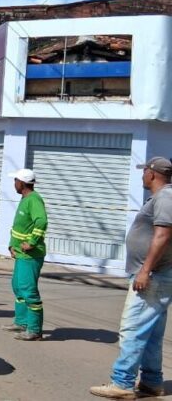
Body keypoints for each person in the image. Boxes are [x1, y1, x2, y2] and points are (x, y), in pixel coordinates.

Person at [90, 157, 172, 399]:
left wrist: (145, 270)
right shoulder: (163, 197)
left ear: (152, 173)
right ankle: (151, 381)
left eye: (144, 170)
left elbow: (163, 235)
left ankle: (122, 383)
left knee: (133, 329)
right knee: (151, 334)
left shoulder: (166, 197)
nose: (142, 175)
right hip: (158, 275)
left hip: (153, 276)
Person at [1, 168, 48, 341]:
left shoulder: (34, 200)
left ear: (22, 182)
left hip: (31, 256)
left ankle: (35, 330)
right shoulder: (25, 199)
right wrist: (12, 246)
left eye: (15, 181)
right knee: (18, 287)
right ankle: (21, 322)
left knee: (28, 290)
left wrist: (32, 242)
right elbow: (19, 227)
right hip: (20, 254)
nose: (14, 183)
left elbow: (41, 221)